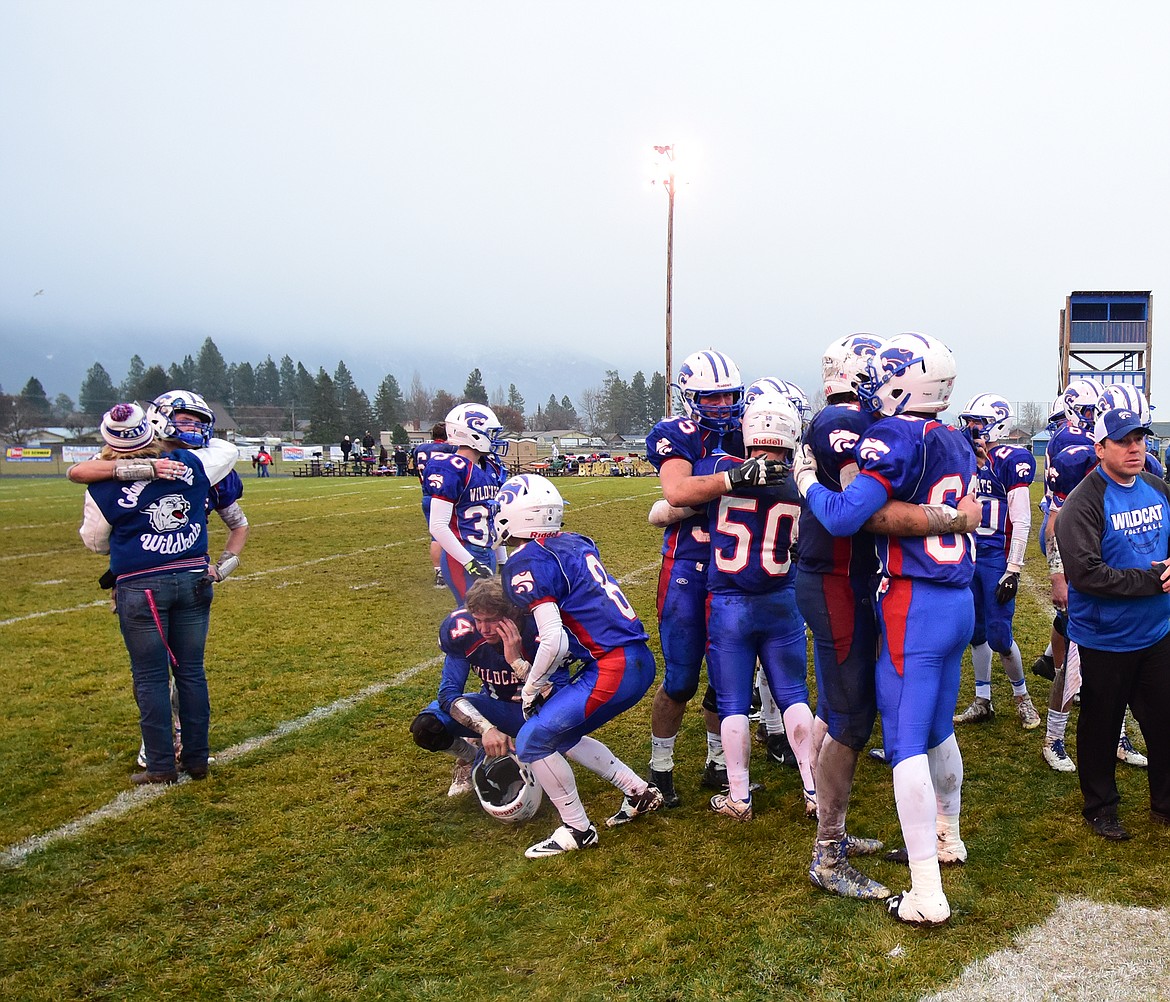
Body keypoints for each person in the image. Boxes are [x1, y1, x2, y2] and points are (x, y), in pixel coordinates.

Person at [793, 333, 976, 926]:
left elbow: (847, 514)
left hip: (914, 603)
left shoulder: (893, 434)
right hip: (957, 601)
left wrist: (805, 483)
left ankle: (926, 892)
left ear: (901, 383)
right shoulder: (955, 437)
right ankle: (949, 837)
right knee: (938, 727)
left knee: (901, 748)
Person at [68, 389, 249, 771]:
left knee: (150, 675)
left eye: (198, 423)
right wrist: (147, 470)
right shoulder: (196, 463)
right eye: (185, 421)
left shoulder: (102, 481)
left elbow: (95, 541)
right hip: (193, 575)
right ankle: (196, 757)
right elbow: (225, 454)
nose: (193, 429)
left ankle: (160, 760)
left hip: (142, 582)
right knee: (191, 671)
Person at [494, 474, 664, 858]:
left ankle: (578, 830)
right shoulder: (575, 542)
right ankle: (639, 792)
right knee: (559, 734)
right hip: (632, 659)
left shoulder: (528, 561)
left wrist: (531, 685)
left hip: (612, 666)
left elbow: (554, 639)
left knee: (532, 740)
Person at [643, 350, 784, 809]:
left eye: (729, 396)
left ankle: (718, 763)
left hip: (735, 570)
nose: (724, 405)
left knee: (728, 680)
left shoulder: (751, 432)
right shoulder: (677, 434)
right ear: (690, 397)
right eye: (713, 397)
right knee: (681, 678)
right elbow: (677, 490)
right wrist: (734, 479)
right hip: (687, 567)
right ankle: (660, 770)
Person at [688, 392, 815, 822]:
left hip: (729, 603)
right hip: (782, 598)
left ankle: (739, 797)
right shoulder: (801, 480)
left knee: (732, 702)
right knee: (795, 695)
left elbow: (671, 504)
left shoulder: (718, 470)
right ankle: (814, 789)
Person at [1054, 406, 1170, 840]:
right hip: (1105, 637)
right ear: (1100, 448)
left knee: (1164, 721)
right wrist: (1154, 579)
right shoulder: (1082, 503)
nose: (1134, 448)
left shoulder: (1157, 488)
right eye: (1123, 441)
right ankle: (1100, 806)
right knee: (1102, 726)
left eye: (1138, 439)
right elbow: (1087, 575)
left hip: (1157, 632)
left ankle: (1165, 801)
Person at [409, 577, 568, 796]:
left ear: (512, 613)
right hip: (494, 706)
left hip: (538, 713)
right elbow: (448, 693)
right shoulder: (464, 631)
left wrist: (516, 662)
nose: (484, 629)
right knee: (426, 727)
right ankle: (472, 757)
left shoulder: (540, 629)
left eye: (492, 620)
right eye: (478, 620)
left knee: (553, 750)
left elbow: (559, 699)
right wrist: (486, 728)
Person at [952, 394, 1041, 729]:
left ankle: (1023, 698)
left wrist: (1014, 569)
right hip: (970, 554)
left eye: (979, 422)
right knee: (975, 633)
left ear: (997, 424)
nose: (972, 428)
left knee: (1000, 636)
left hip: (996, 558)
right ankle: (982, 700)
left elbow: (1021, 519)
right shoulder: (963, 457)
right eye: (970, 421)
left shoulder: (1011, 458)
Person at [424, 403, 509, 603]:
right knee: (473, 614)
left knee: (491, 614)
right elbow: (437, 526)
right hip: (463, 552)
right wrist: (469, 562)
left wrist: (502, 560)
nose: (494, 439)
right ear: (472, 433)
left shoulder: (490, 467)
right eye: (490, 433)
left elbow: (493, 518)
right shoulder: (451, 468)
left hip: (487, 550)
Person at [413, 422, 457, 588]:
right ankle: (451, 569)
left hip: (427, 495)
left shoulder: (419, 449)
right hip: (444, 496)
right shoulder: (449, 450)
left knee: (436, 536)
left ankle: (439, 571)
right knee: (450, 533)